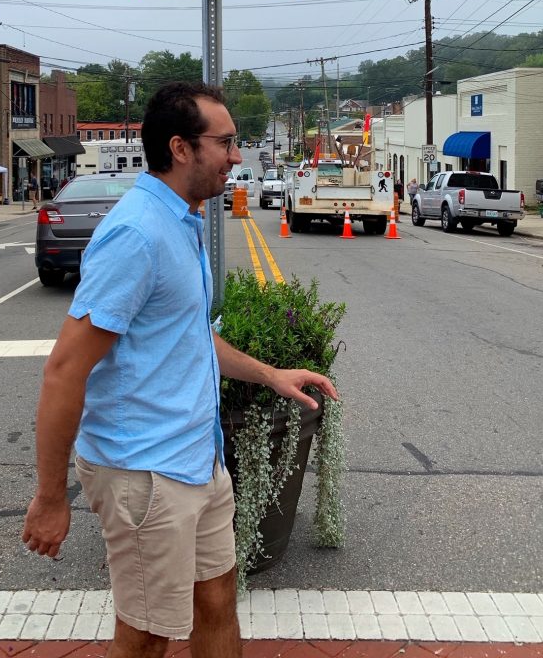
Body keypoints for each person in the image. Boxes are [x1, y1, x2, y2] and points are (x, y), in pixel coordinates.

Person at [22, 82, 337, 658]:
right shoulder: (136, 234)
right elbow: (65, 371)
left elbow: (189, 337)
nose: (237, 156)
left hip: (197, 459)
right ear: (182, 148)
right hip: (144, 471)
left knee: (217, 601)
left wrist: (271, 375)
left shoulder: (181, 221)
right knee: (145, 636)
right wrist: (49, 497)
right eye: (226, 142)